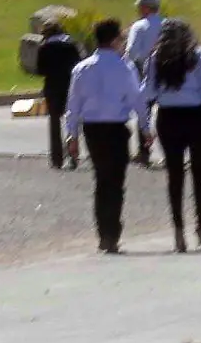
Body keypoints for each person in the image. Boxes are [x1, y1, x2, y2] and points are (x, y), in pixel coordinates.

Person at [64, 18, 152, 254]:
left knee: (101, 180)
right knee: (116, 182)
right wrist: (145, 127)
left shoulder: (82, 68)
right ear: (114, 40)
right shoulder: (125, 67)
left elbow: (73, 104)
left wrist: (71, 135)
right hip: (116, 128)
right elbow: (137, 99)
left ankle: (104, 232)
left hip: (92, 129)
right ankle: (113, 231)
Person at [146, 19, 201, 252]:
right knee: (200, 173)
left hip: (168, 117)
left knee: (175, 175)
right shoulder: (197, 56)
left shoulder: (155, 58)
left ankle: (178, 230)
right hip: (196, 117)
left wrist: (145, 122)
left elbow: (149, 91)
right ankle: (200, 226)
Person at [36, 21, 85, 170]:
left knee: (55, 123)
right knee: (72, 121)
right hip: (71, 87)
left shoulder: (44, 48)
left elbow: (40, 70)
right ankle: (72, 154)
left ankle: (56, 158)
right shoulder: (71, 46)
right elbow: (79, 65)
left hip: (52, 87)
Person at [124, 0, 164, 167]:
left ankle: (144, 152)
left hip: (145, 73)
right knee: (165, 114)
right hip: (166, 74)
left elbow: (131, 52)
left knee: (143, 113)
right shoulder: (167, 24)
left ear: (146, 8)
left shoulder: (139, 26)